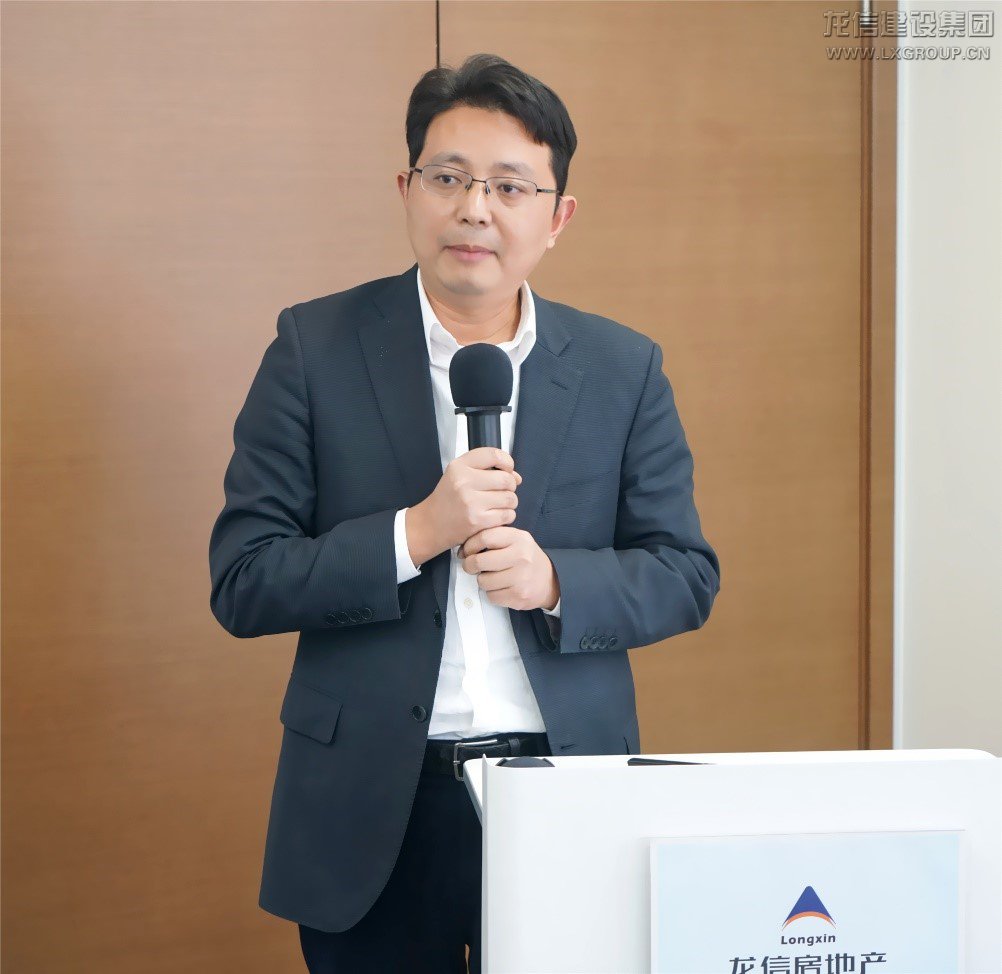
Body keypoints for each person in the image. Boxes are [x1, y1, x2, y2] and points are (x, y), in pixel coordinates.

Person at [208, 51, 720, 974]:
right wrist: (415, 534)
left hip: (563, 791)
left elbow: (685, 574)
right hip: (374, 806)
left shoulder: (622, 368)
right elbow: (244, 580)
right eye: (448, 178)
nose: (475, 209)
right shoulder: (314, 349)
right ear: (406, 190)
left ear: (557, 217)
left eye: (510, 187)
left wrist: (556, 581)